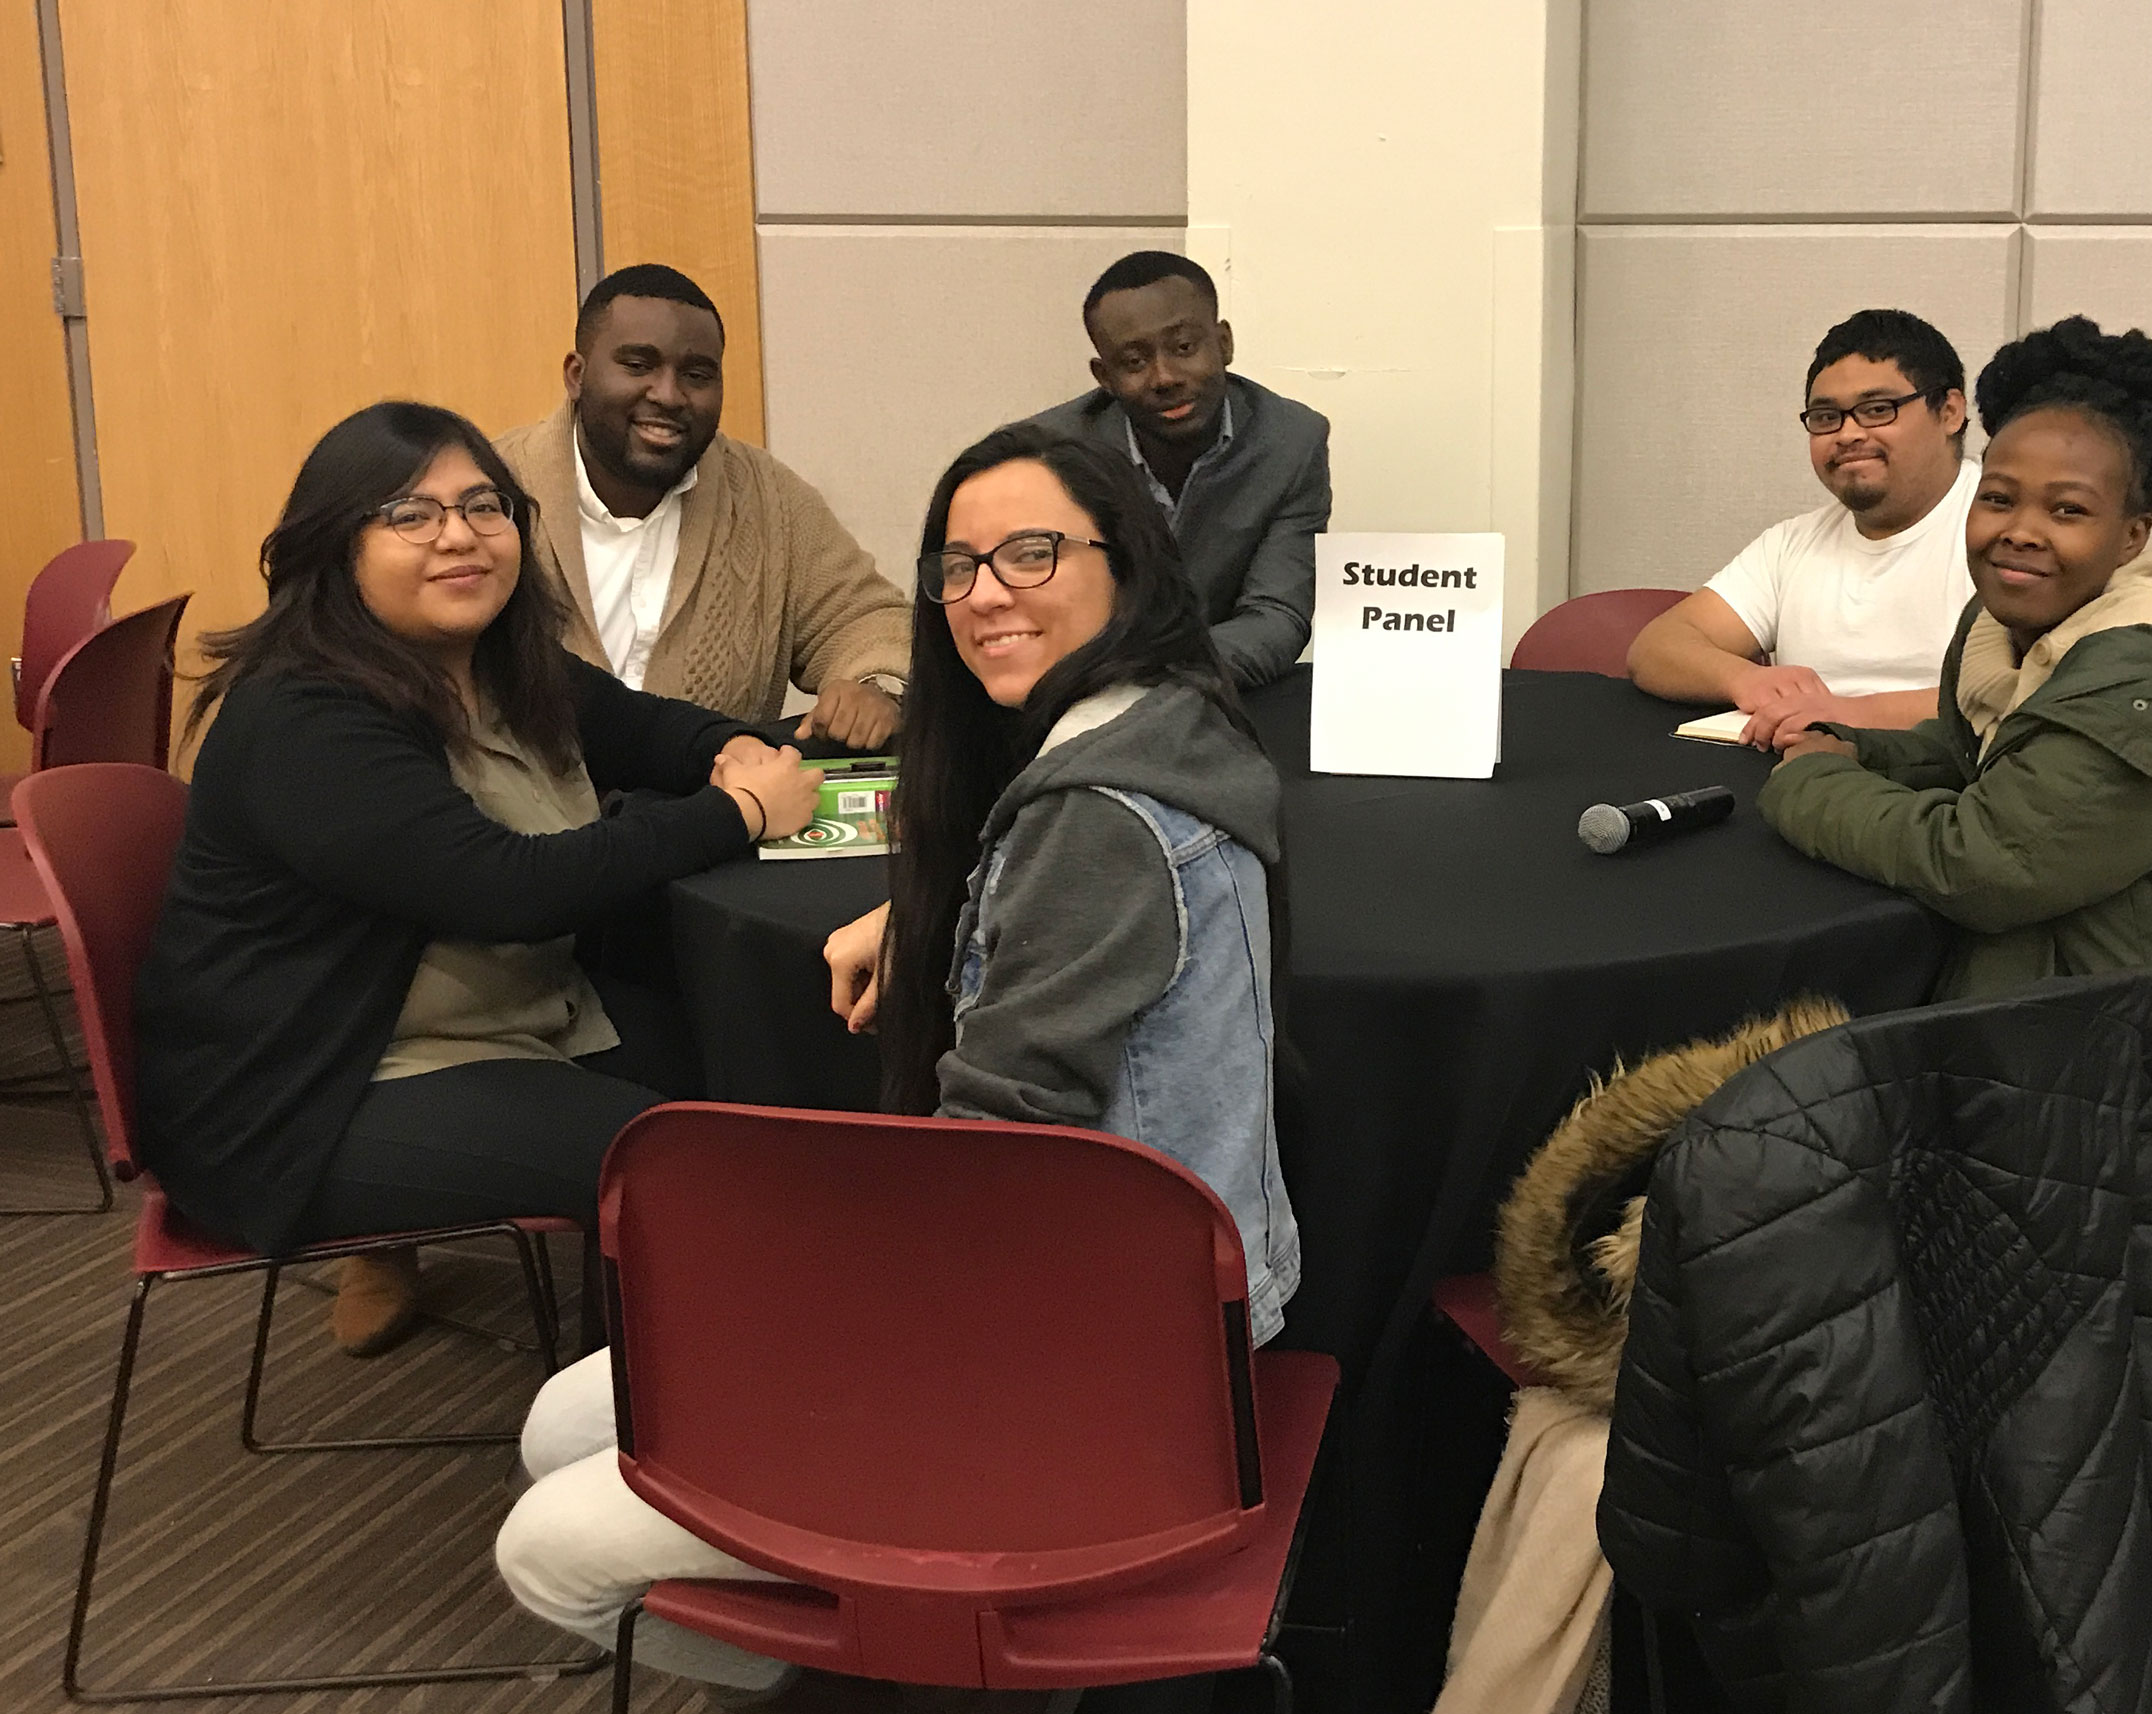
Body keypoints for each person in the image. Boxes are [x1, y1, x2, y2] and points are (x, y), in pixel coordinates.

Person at [496, 424, 1299, 1708]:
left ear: (1130, 569)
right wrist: (938, 918)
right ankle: (908, 1636)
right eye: (962, 564)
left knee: (544, 1550)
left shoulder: (1093, 823)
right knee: (562, 1425)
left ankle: (912, 1664)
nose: (986, 594)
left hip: (1091, 1377)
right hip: (1143, 1310)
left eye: (1032, 553)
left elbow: (982, 1177)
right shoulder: (1168, 729)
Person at [135, 401, 821, 1346]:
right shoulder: (304, 716)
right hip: (323, 1088)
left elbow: (646, 727)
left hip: (505, 1018)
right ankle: (621, 1453)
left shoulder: (495, 661)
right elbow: (510, 890)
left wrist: (744, 748)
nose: (459, 536)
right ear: (336, 547)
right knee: (689, 1168)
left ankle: (648, 1372)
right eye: (411, 514)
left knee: (759, 1073)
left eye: (483, 506)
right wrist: (737, 812)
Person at [1757, 316, 2152, 1269]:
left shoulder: (2149, 685)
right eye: (1999, 498)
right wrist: (1854, 749)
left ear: (2134, 534)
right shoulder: (2019, 625)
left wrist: (1807, 786)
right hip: (2061, 1105)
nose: (2020, 532)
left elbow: (1983, 860)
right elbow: (1975, 758)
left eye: (2067, 510)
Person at [495, 263, 911, 745]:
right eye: (637, 365)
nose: (669, 395)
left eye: (696, 374)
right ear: (577, 374)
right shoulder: (490, 491)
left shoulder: (770, 500)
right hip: (516, 819)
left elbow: (865, 619)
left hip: (716, 814)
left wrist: (874, 686)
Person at [1627, 308, 1979, 748]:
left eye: (1875, 410)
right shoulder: (1793, 543)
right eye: (1826, 417)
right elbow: (1656, 648)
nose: (1848, 434)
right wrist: (1746, 679)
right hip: (1804, 779)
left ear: (1949, 412)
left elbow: (2032, 695)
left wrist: (1846, 715)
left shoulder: (2007, 530)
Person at [1024, 251, 1331, 689]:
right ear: (1104, 377)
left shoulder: (1291, 443)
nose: (1164, 376)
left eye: (1184, 347)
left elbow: (1276, 615)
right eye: (1133, 362)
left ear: (1224, 342)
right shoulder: (1047, 456)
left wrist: (1161, 687)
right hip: (1077, 697)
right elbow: (1031, 614)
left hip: (1218, 691)